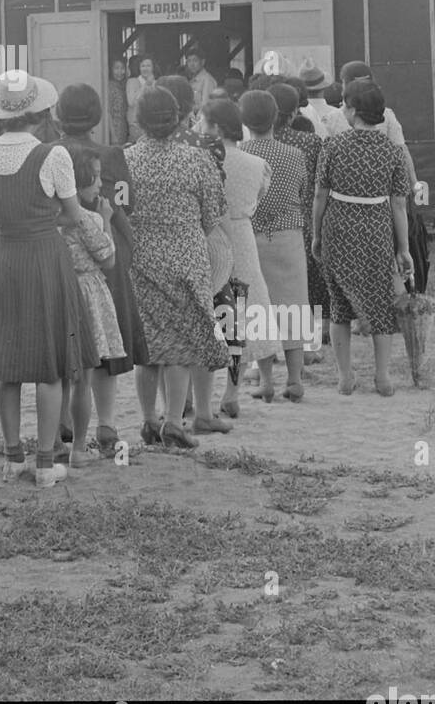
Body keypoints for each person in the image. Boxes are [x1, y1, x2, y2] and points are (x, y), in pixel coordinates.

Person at [0, 72, 97, 488]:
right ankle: (45, 462)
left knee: (7, 363)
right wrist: (45, 221)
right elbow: (74, 214)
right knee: (50, 364)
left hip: (3, 257)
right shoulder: (52, 155)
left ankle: (13, 457)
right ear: (40, 111)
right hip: (44, 255)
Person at [125, 87, 231, 448]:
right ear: (178, 118)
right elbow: (212, 214)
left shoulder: (126, 160)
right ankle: (174, 421)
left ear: (137, 120)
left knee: (149, 346)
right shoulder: (197, 160)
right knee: (182, 344)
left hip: (141, 259)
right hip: (187, 257)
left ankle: (147, 420)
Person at [56, 82, 143, 459]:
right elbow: (129, 201)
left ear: (58, 115)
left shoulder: (50, 152)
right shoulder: (110, 154)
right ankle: (106, 423)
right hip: (107, 251)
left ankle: (63, 420)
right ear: (97, 116)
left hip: (61, 254)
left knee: (66, 339)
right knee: (107, 340)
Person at [312, 80, 413, 397]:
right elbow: (398, 204)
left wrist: (317, 234)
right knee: (381, 303)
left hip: (338, 226)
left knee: (339, 302)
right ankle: (382, 378)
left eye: (344, 103)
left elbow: (320, 196)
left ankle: (345, 378)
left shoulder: (333, 146)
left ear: (353, 110)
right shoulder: (392, 152)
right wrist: (404, 248)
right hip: (376, 229)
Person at [201, 98, 281, 413]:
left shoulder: (204, 161)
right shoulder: (256, 164)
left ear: (216, 127)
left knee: (215, 312)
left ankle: (203, 397)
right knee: (250, 308)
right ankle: (239, 389)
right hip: (243, 234)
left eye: (205, 123)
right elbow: (259, 198)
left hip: (212, 237)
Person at [332, 61, 429, 291]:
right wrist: (414, 184)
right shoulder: (387, 115)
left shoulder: (336, 117)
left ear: (345, 84)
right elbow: (402, 151)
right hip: (382, 201)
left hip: (345, 204)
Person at [240, 91, 310, 401]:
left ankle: (265, 379)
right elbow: (303, 190)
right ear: (276, 117)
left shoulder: (242, 154)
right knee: (293, 304)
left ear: (244, 120)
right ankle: (294, 379)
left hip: (251, 236)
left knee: (259, 309)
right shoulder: (294, 154)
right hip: (288, 235)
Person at [59, 147, 125, 466]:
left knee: (60, 375)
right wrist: (108, 220)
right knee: (84, 376)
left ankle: (59, 435)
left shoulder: (54, 215)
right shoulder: (89, 217)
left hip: (60, 290)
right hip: (88, 291)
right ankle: (79, 448)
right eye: (95, 176)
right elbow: (109, 258)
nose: (99, 183)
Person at [271, 82, 329, 342]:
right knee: (310, 280)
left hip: (265, 224)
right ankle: (316, 335)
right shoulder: (311, 142)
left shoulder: (250, 146)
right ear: (295, 113)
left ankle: (271, 337)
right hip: (303, 220)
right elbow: (320, 186)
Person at [183, 49, 217, 115]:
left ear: (203, 62)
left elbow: (206, 107)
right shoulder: (191, 80)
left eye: (195, 60)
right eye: (189, 61)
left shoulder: (207, 80)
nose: (191, 64)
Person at [125, 56, 158, 123]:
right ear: (139, 68)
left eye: (148, 66)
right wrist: (146, 85)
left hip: (153, 123)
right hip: (137, 124)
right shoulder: (132, 82)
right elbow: (131, 103)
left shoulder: (157, 83)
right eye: (143, 66)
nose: (145, 69)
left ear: (153, 68)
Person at [106, 59, 130, 147]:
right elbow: (108, 111)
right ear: (111, 70)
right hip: (115, 128)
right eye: (116, 68)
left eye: (122, 68)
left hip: (124, 127)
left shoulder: (124, 85)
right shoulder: (109, 86)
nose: (120, 72)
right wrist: (113, 135)